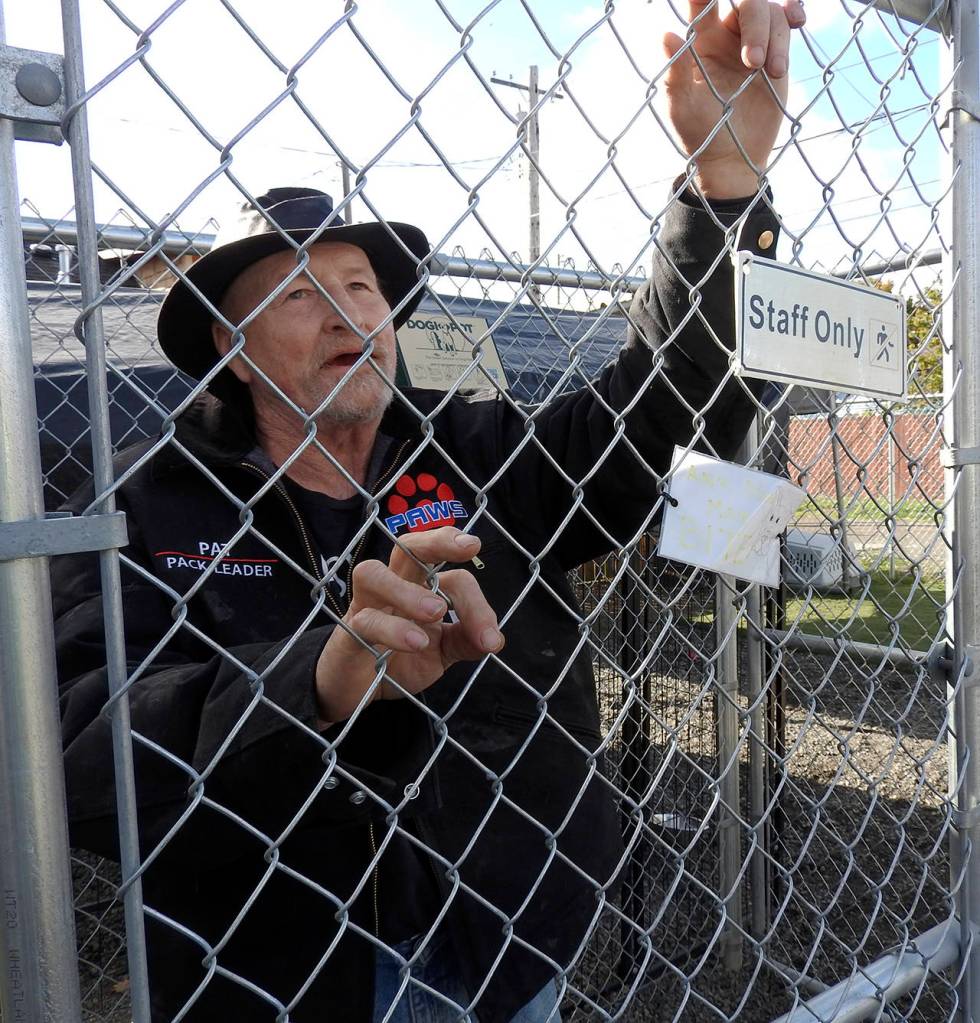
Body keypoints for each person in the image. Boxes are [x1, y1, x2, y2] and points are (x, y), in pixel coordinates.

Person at [54, 3, 805, 1021]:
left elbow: (658, 405)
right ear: (231, 350)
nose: (348, 314)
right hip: (277, 965)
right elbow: (77, 758)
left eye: (361, 286)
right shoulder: (140, 504)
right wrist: (312, 682)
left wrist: (720, 190)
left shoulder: (480, 450)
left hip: (503, 935)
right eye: (298, 295)